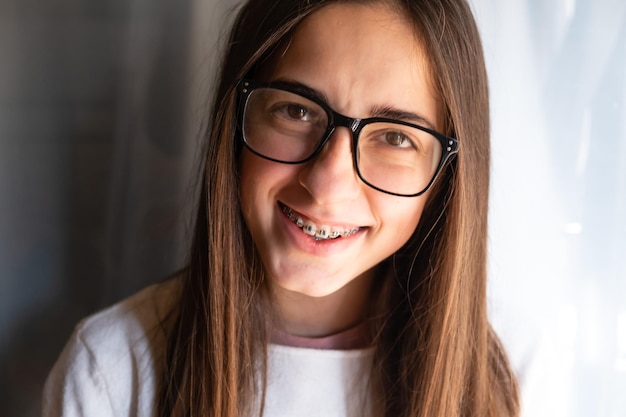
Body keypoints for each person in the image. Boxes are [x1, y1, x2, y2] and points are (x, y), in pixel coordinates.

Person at [43, 0, 520, 416]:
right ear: (235, 121)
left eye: (395, 138)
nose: (328, 185)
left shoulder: (494, 381)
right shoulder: (110, 370)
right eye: (297, 111)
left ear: (447, 179)